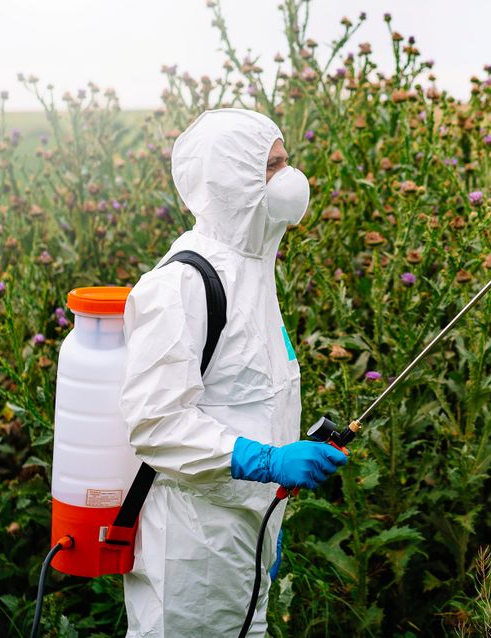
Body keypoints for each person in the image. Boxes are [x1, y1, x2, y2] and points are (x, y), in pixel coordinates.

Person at [119, 108, 348, 637]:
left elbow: (252, 396)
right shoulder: (182, 285)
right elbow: (156, 424)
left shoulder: (252, 269)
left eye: (285, 161)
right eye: (271, 167)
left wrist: (271, 497)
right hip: (193, 549)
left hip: (246, 532)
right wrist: (266, 460)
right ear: (231, 180)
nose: (289, 179)